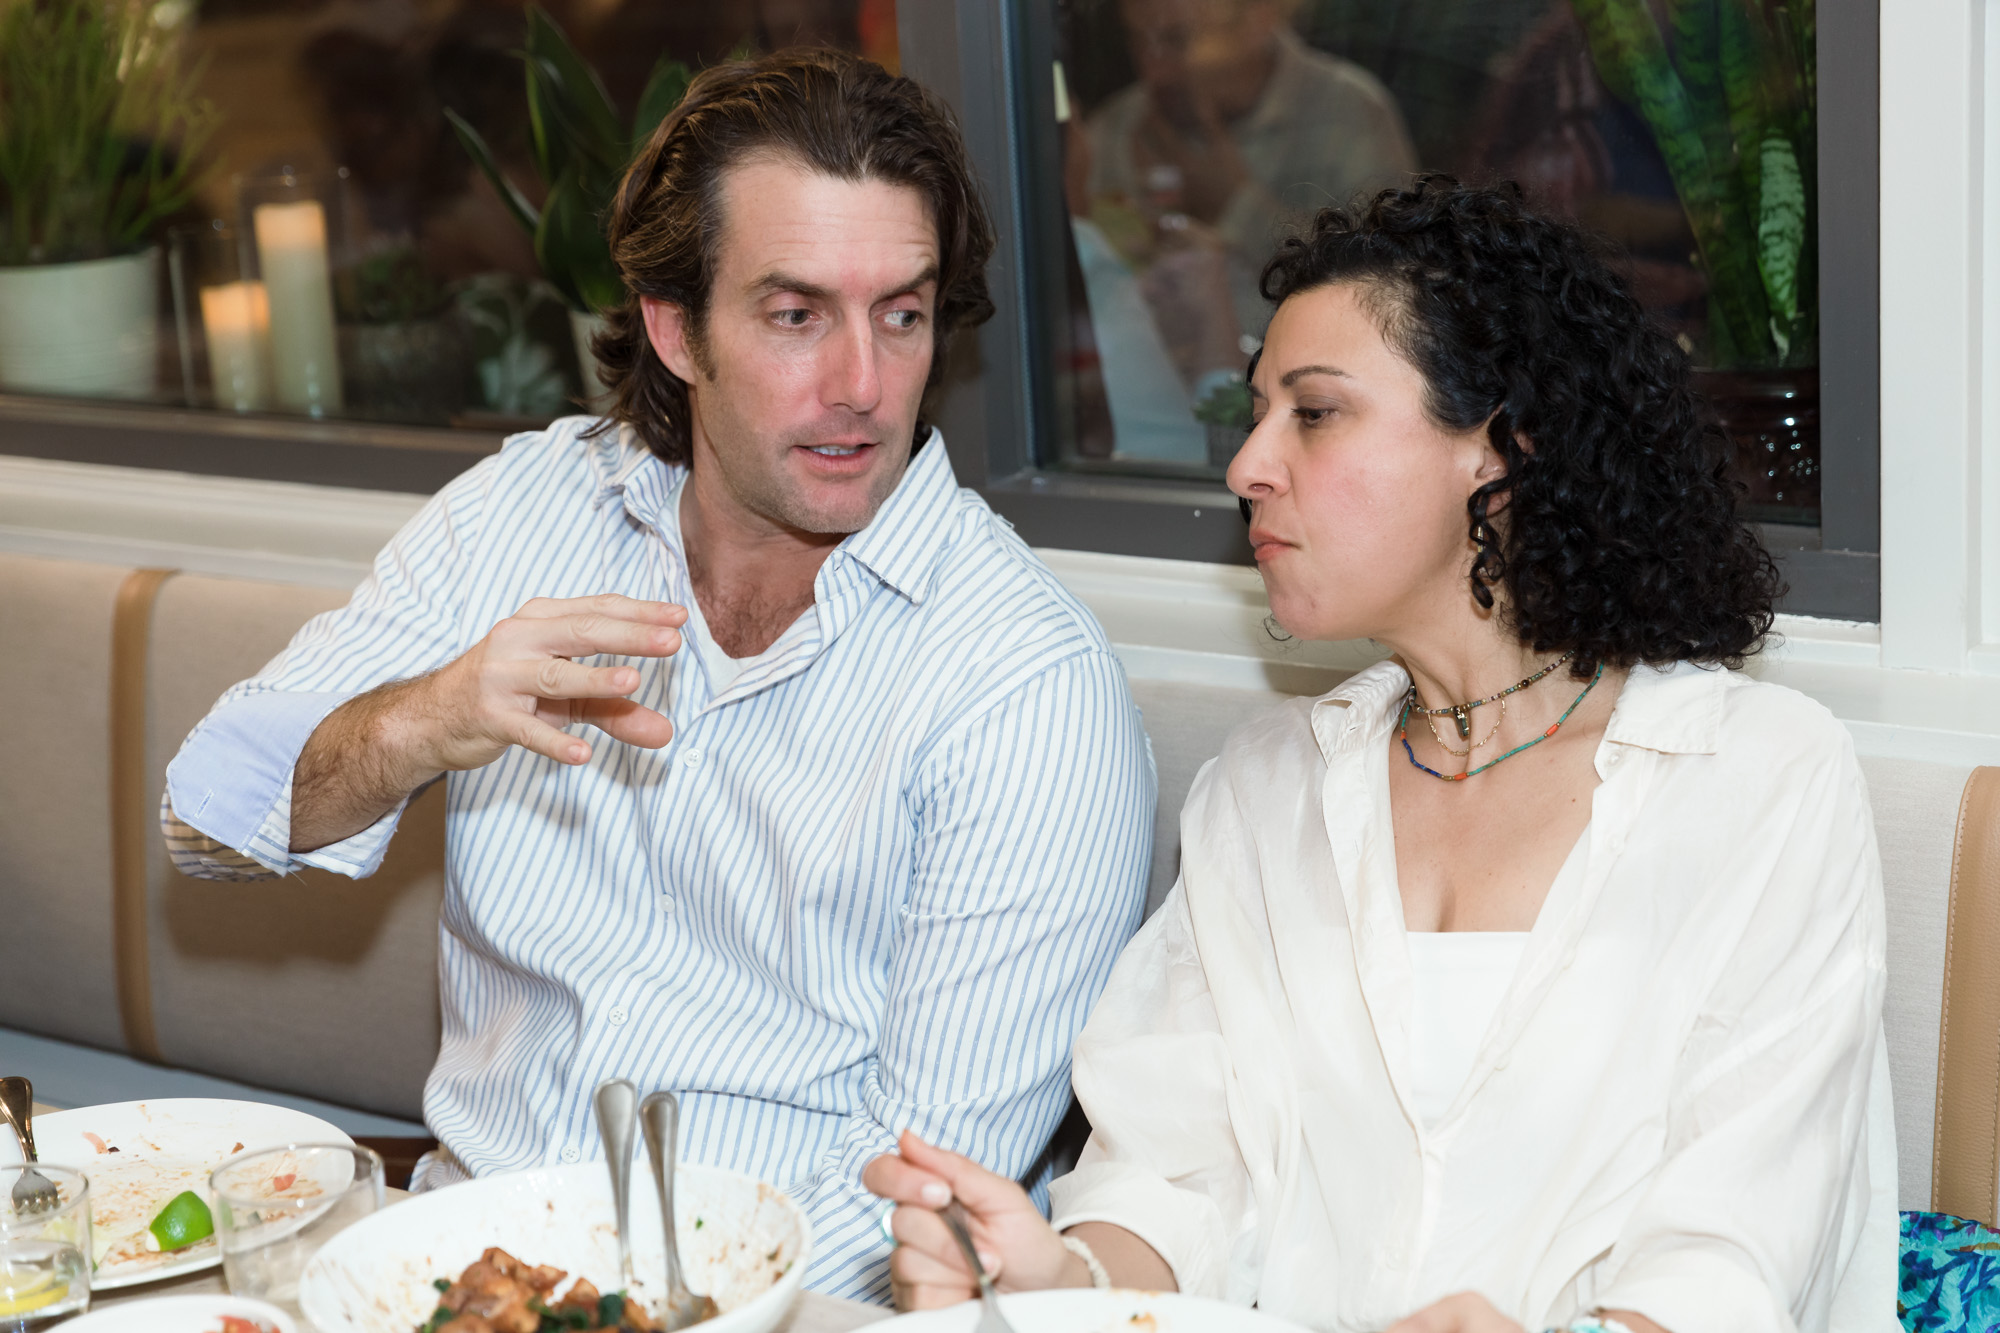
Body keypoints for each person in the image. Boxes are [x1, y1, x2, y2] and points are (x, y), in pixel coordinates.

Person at [161, 49, 1156, 1301]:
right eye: (796, 316)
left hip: (783, 1307)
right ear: (675, 329)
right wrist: (427, 719)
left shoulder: (1023, 680)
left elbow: (921, 1195)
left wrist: (619, 1317)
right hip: (462, 1272)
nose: (861, 385)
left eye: (900, 315)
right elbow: (204, 818)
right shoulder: (523, 511)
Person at [866, 178, 1894, 1332]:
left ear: (1502, 447)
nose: (1244, 466)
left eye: (1312, 412)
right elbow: (1171, 1174)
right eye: (1256, 412)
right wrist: (1060, 1282)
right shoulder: (1265, 790)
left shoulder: (1755, 779)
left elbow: (1729, 1261)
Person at [1083, 0, 1417, 341]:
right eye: (1137, 39)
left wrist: (1235, 202)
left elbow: (1390, 289)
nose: (1154, 70)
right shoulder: (1114, 130)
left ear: (1258, 18)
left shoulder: (1350, 116)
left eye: (1177, 39)